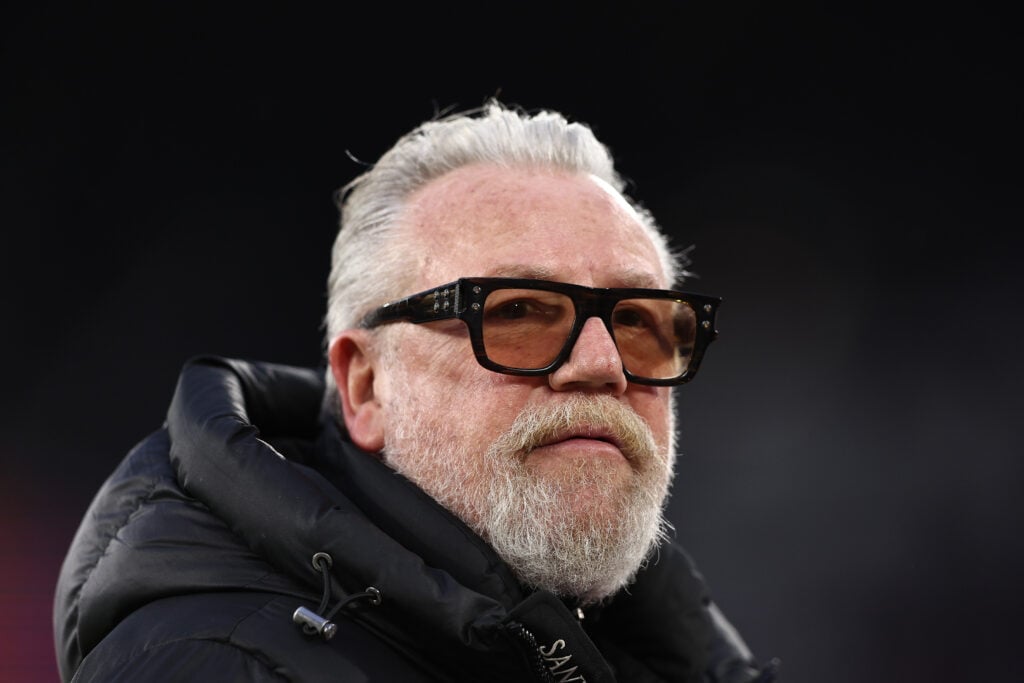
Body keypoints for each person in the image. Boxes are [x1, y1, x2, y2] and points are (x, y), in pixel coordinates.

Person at [54, 100, 779, 682]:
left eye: (638, 319)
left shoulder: (673, 654)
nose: (603, 363)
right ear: (365, 385)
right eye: (518, 311)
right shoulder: (216, 664)